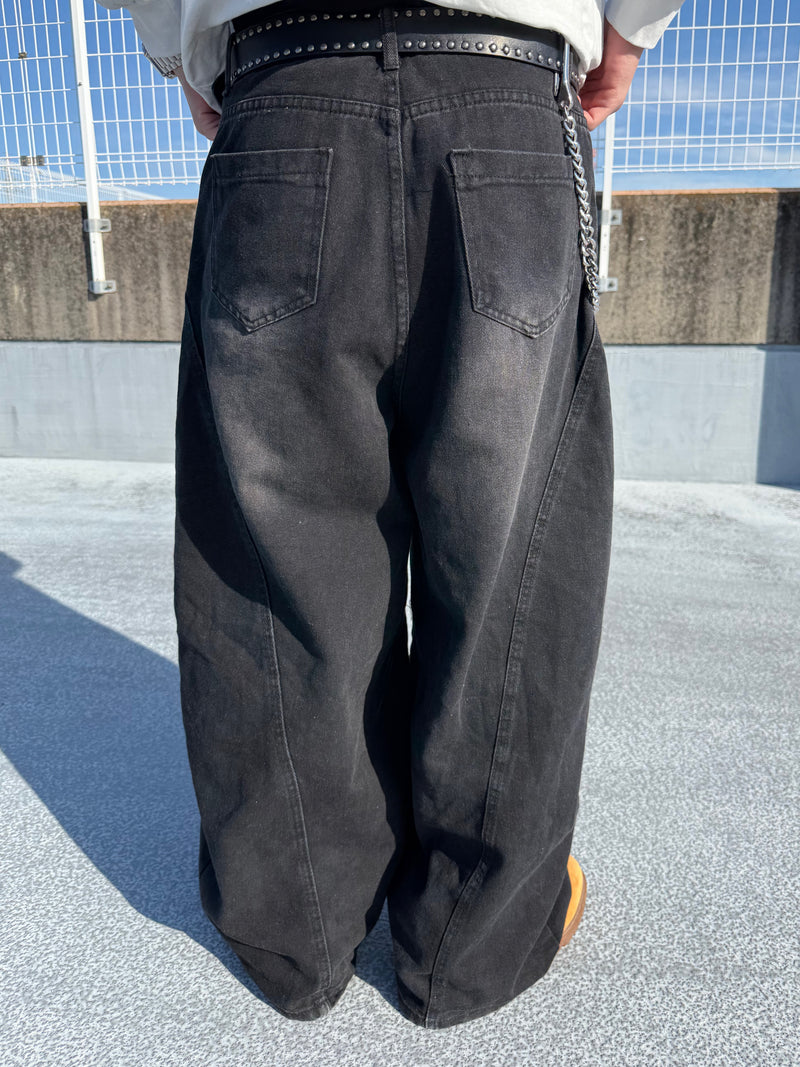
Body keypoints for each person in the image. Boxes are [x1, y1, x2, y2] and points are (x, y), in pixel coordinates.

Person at [98, 0, 685, 1029]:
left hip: (281, 89)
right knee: (508, 562)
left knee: (277, 560)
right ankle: (473, 944)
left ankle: (294, 931)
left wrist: (175, 44)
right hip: (501, 95)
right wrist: (630, 29)